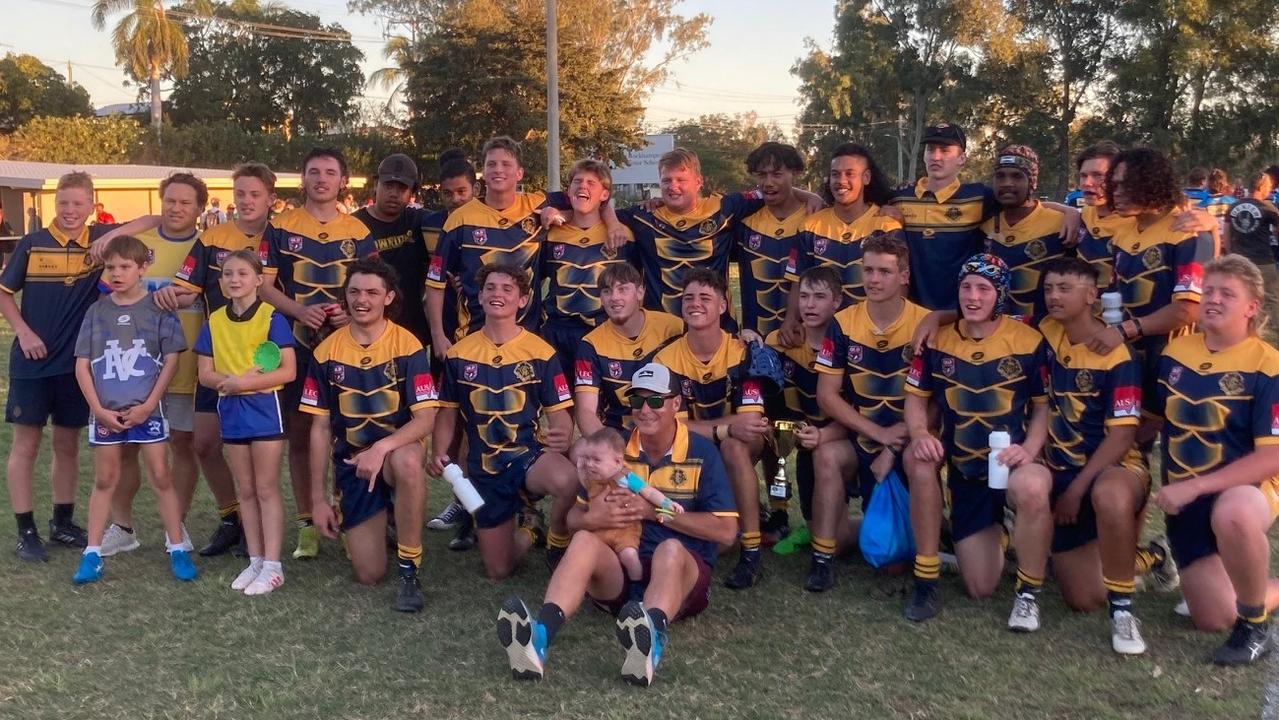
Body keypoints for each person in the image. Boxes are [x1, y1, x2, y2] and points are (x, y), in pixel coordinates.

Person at [495, 362, 738, 686]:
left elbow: (725, 531)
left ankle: (648, 640)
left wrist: (655, 513)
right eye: (637, 401)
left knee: (670, 549)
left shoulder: (702, 452)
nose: (645, 410)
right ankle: (538, 639)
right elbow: (572, 519)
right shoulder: (612, 449)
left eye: (655, 401)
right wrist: (592, 518)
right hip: (619, 573)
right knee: (582, 541)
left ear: (676, 404)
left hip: (680, 574)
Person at [1011, 257, 1149, 650]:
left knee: (1110, 494)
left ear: (1092, 295)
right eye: (1049, 288)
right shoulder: (1039, 331)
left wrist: (1076, 490)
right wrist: (933, 318)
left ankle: (1123, 610)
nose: (1053, 296)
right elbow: (984, 318)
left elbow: (1123, 437)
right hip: (1055, 467)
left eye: (1064, 288)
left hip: (1110, 468)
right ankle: (1142, 558)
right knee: (1083, 598)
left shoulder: (1117, 354)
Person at [902, 253, 1049, 621]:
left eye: (984, 288)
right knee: (980, 588)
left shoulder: (1029, 340)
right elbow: (915, 399)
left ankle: (1028, 593)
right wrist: (920, 433)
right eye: (966, 287)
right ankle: (992, 537)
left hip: (1013, 463)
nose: (973, 297)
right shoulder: (937, 340)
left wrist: (1029, 449)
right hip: (967, 470)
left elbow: (1044, 408)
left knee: (1032, 488)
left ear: (1000, 293)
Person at [1153, 254, 1279, 665]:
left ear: (1251, 307)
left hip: (1245, 490)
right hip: (1186, 499)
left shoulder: (1268, 364)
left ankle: (1255, 624)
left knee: (1234, 512)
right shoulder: (1176, 352)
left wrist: (1197, 486)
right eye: (1209, 291)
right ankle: (1251, 594)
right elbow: (1150, 422)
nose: (1213, 299)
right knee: (1213, 616)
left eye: (1228, 294)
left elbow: (1272, 457)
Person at [260, 147, 377, 560]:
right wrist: (299, 311)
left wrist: (350, 312)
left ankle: (347, 515)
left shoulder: (359, 231)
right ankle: (307, 521)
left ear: (343, 180)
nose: (321, 179)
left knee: (347, 433)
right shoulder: (280, 226)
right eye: (313, 172)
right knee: (300, 434)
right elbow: (264, 285)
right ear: (303, 179)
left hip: (348, 345)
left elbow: (373, 285)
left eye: (330, 172)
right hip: (297, 344)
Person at [429, 263, 580, 577]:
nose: (498, 294)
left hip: (527, 457)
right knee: (499, 569)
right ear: (481, 298)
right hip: (485, 468)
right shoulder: (459, 354)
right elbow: (447, 411)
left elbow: (560, 417)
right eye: (491, 288)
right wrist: (439, 452)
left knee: (569, 480)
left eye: (507, 288)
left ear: (523, 300)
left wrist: (562, 435)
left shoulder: (541, 352)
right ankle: (530, 530)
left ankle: (557, 539)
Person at [301, 258, 435, 612]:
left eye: (372, 292)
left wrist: (382, 448)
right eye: (354, 291)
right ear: (345, 296)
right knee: (369, 574)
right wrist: (316, 500)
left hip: (393, 454)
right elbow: (319, 428)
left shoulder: (408, 345)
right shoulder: (326, 352)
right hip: (352, 463)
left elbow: (425, 420)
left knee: (407, 461)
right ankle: (386, 514)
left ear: (388, 297)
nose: (362, 299)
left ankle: (410, 570)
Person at [0, 172, 117, 561]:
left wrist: (108, 236)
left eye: (78, 204)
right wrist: (24, 332)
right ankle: (26, 530)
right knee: (26, 445)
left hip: (75, 367)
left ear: (91, 205)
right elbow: (3, 293)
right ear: (55, 204)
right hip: (31, 363)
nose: (70, 210)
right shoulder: (32, 244)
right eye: (63, 202)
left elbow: (151, 223)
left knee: (67, 444)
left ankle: (62, 523)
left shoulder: (98, 244)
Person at [100, 173, 214, 556]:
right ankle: (122, 526)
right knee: (127, 445)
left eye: (186, 202)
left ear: (200, 209)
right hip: (133, 368)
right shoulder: (138, 245)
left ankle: (174, 526)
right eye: (170, 200)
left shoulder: (209, 246)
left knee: (183, 443)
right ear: (160, 202)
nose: (176, 208)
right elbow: (106, 298)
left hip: (186, 363)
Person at [71, 235, 194, 584]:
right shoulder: (97, 311)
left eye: (125, 266)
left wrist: (150, 404)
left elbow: (171, 360)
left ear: (143, 268)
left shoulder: (158, 309)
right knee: (105, 478)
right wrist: (97, 409)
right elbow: (82, 365)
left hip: (148, 411)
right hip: (107, 411)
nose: (117, 273)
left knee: (160, 475)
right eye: (111, 267)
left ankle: (177, 547)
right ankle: (91, 554)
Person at [171, 162, 279, 556]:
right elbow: (188, 287)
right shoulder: (212, 238)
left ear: (270, 198)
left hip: (262, 363)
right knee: (203, 444)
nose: (247, 201)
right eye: (240, 194)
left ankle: (269, 531)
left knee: (258, 450)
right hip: (216, 360)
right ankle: (232, 516)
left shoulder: (282, 235)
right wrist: (172, 295)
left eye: (254, 194)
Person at [813, 235, 930, 590]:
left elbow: (936, 403)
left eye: (885, 271)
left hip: (907, 442)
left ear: (904, 275)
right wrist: (878, 436)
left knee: (893, 564)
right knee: (826, 454)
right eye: (868, 270)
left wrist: (894, 446)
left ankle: (926, 550)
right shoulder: (844, 322)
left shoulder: (924, 323)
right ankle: (822, 559)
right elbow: (827, 396)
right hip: (864, 437)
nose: (874, 280)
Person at [652, 269, 770, 588]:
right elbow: (672, 425)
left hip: (738, 445)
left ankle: (752, 551)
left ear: (723, 306)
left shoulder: (745, 352)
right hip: (691, 447)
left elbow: (751, 422)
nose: (695, 304)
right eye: (688, 298)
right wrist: (722, 430)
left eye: (705, 297)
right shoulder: (665, 358)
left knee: (735, 446)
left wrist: (720, 432)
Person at [1087, 147, 1216, 425]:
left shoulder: (1187, 230)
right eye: (1114, 185)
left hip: (1171, 361)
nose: (1116, 192)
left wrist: (1124, 331)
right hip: (1126, 358)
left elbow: (1188, 310)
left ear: (1150, 182)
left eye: (1125, 185)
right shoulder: (1122, 231)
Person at [194, 250, 297, 595]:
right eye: (227, 274)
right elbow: (205, 373)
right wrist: (230, 382)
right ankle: (254, 560)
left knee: (266, 488)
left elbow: (288, 370)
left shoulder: (273, 318)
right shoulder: (214, 322)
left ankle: (273, 566)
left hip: (265, 409)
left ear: (258, 280)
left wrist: (245, 384)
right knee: (247, 490)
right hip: (232, 410)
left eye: (242, 273)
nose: (234, 279)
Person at [764, 266, 850, 588]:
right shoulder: (781, 341)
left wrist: (826, 433)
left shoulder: (848, 341)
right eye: (803, 296)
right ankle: (780, 515)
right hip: (805, 442)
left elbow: (859, 410)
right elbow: (773, 408)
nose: (809, 305)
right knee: (827, 536)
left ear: (837, 302)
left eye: (819, 297)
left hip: (847, 440)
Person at [427, 136, 552, 354]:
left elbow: (585, 200)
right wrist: (437, 335)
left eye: (506, 164)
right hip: (473, 336)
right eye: (491, 164)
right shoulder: (459, 220)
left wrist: (557, 211)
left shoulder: (537, 206)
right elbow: (434, 282)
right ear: (483, 173)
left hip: (527, 337)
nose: (498, 170)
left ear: (519, 173)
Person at [420, 149, 477, 546]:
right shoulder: (431, 224)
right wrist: (438, 334)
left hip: (498, 340)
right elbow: (432, 281)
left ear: (475, 188)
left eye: (462, 191)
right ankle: (461, 498)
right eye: (447, 193)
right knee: (452, 420)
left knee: (486, 423)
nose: (455, 199)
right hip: (450, 341)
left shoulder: (492, 220)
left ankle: (487, 507)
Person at [784, 142, 902, 314]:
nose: (841, 181)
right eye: (835, 174)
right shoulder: (810, 225)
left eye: (850, 174)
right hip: (824, 332)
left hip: (871, 333)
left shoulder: (886, 225)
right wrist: (791, 320)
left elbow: (901, 282)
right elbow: (797, 280)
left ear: (866, 177)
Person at [539, 159, 632, 371]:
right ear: (568, 191)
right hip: (556, 333)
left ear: (605, 194)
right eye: (577, 181)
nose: (583, 186)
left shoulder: (623, 233)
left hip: (605, 331)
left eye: (592, 183)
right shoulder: (549, 232)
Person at [573, 263, 684, 436]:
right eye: (607, 291)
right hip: (618, 433)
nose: (614, 297)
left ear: (640, 292)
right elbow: (585, 411)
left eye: (623, 289)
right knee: (579, 452)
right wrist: (607, 450)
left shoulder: (673, 328)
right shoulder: (590, 344)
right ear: (601, 298)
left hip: (668, 431)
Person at [575, 427, 684, 590]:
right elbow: (581, 486)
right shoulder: (589, 480)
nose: (590, 464)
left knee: (629, 556)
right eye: (587, 459)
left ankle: (637, 587)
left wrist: (667, 503)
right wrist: (580, 464)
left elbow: (649, 492)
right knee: (585, 550)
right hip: (599, 528)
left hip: (625, 529)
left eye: (597, 460)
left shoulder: (627, 478)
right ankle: (582, 583)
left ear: (618, 462)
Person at [731, 142, 810, 339]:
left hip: (804, 342)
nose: (768, 182)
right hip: (757, 344)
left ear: (795, 173)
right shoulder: (744, 224)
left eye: (776, 174)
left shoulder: (814, 221)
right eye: (762, 175)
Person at [353, 153, 431, 346]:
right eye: (388, 185)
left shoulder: (421, 221)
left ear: (412, 192)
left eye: (402, 188)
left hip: (412, 331)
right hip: (366, 331)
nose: (394, 193)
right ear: (375, 185)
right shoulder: (352, 225)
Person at [980, 145, 1066, 320]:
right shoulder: (984, 227)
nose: (1007, 183)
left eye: (1017, 176)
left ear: (1032, 182)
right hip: (997, 333)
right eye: (1000, 176)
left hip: (1046, 333)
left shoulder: (1060, 224)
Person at [1225, 172, 1279, 345]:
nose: (1270, 190)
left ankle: (1239, 328)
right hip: (1263, 259)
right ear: (1262, 187)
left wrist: (1231, 254)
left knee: (1241, 296)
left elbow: (1226, 235)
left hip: (1240, 260)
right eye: (1269, 187)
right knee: (1271, 297)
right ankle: (1273, 331)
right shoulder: (1268, 208)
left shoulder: (1233, 207)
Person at [1073, 141, 1128, 289]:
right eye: (1083, 176)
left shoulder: (1135, 219)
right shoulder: (1084, 213)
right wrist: (1067, 211)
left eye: (1098, 175)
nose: (1087, 183)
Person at [1202, 169, 1236, 239]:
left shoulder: (1202, 204)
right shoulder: (1233, 203)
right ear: (1224, 183)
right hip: (1227, 239)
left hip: (1210, 241)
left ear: (1208, 183)